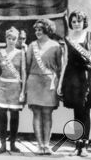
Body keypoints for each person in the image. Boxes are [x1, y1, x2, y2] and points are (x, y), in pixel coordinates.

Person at [58, 10, 91, 157]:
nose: (76, 24)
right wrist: (60, 84)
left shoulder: (90, 37)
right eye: (73, 21)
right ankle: (77, 145)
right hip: (72, 78)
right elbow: (64, 62)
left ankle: (84, 146)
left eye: (78, 21)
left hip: (87, 76)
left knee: (85, 111)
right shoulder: (67, 39)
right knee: (77, 112)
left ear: (83, 22)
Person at [26, 19, 61, 155]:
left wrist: (58, 84)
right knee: (36, 114)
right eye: (36, 30)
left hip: (49, 83)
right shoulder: (31, 45)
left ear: (47, 30)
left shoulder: (56, 46)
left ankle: (47, 145)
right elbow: (27, 66)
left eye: (40, 30)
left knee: (47, 114)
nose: (37, 32)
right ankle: (39, 145)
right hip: (34, 81)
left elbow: (59, 67)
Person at [0, 27, 26, 154]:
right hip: (2, 87)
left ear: (17, 40)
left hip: (16, 87)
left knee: (14, 116)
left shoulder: (21, 53)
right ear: (5, 38)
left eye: (14, 39)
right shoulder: (0, 53)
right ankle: (2, 145)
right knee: (2, 115)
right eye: (9, 38)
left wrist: (23, 91)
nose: (11, 41)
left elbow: (23, 73)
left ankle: (12, 144)